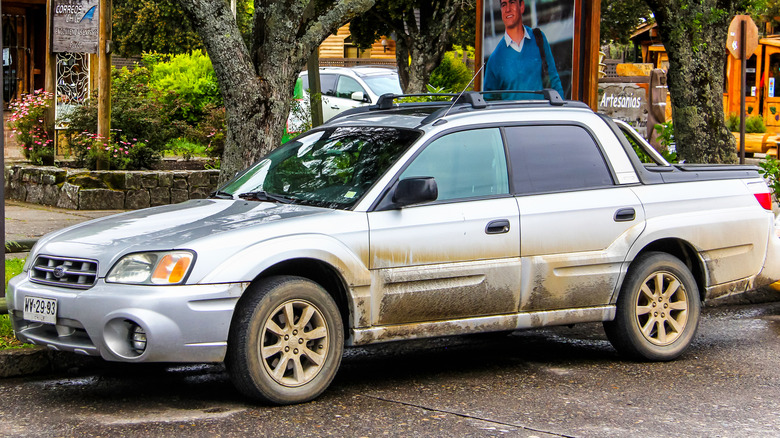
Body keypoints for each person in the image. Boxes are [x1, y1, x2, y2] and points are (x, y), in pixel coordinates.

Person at [483, 0, 564, 100]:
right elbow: (489, 102)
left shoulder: (538, 39)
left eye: (512, 2)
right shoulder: (495, 59)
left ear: (521, 6)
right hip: (512, 115)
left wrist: (561, 109)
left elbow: (554, 81)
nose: (507, 9)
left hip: (542, 114)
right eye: (504, 5)